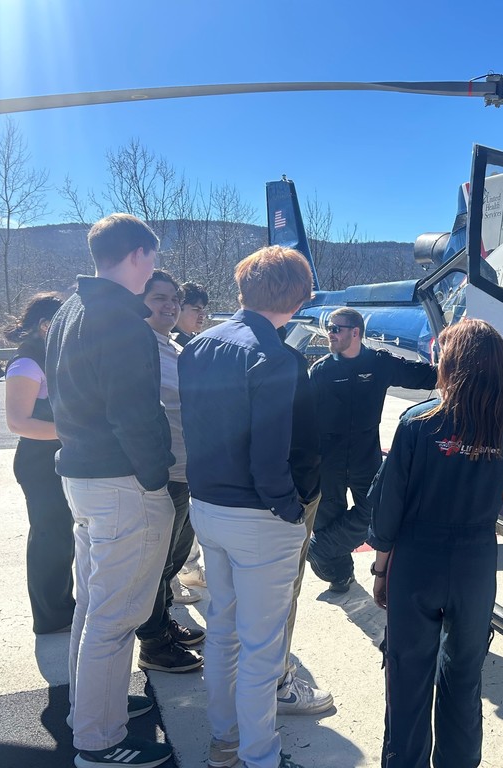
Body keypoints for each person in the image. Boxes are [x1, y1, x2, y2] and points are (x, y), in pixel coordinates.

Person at [368, 318, 503, 768]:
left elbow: (387, 507)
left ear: (450, 362)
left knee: (408, 677)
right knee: (464, 677)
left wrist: (382, 568)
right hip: (475, 564)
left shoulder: (417, 422)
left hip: (417, 562)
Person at [45, 213, 176, 768]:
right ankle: (98, 741)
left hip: (81, 477)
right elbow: (135, 414)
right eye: (151, 257)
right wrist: (157, 476)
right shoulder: (123, 324)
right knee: (115, 616)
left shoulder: (71, 311)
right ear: (139, 257)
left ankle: (89, 710)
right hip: (123, 483)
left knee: (93, 609)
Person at [179, 245, 313, 768]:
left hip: (207, 504)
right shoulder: (273, 355)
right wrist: (290, 510)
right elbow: (270, 455)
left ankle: (225, 739)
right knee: (261, 646)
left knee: (224, 628)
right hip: (257, 516)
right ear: (297, 297)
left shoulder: (198, 345)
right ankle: (260, 756)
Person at [307, 307, 437, 593]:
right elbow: (304, 420)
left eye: (336, 328)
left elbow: (425, 377)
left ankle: (319, 549)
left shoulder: (379, 364)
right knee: (329, 518)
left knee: (376, 512)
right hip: (329, 461)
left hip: (366, 456)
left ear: (355, 332)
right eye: (329, 328)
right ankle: (339, 575)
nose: (330, 334)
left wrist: (458, 370)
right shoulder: (321, 371)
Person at [134, 270, 205, 674]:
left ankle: (161, 623)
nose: (170, 305)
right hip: (164, 473)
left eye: (174, 298)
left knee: (173, 559)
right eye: (159, 297)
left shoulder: (173, 346)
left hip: (186, 471)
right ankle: (153, 643)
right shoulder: (141, 347)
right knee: (157, 561)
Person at [3, 292, 75, 635]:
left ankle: (61, 605)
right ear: (47, 326)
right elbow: (18, 422)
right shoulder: (26, 364)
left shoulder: (47, 357)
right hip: (38, 462)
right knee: (50, 538)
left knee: (62, 537)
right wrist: (74, 431)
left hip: (54, 458)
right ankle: (51, 615)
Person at [275, 327, 334, 716]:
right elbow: (301, 441)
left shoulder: (202, 349)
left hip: (219, 500)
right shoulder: (286, 361)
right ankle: (278, 684)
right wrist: (304, 495)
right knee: (282, 593)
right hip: (285, 497)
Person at [172, 281, 210, 596]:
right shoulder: (171, 346)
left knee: (187, 520)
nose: (202, 315)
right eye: (195, 309)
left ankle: (190, 570)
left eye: (203, 309)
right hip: (175, 449)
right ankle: (173, 582)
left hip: (194, 447)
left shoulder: (194, 343)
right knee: (176, 523)